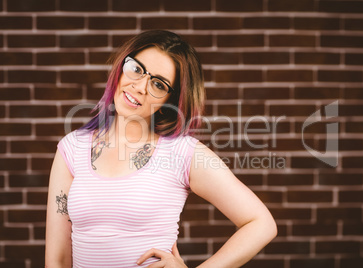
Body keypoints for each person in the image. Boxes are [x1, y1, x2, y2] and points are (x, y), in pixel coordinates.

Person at [45, 30, 277, 268]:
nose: (140, 87)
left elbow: (261, 223)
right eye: (136, 69)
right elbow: (57, 260)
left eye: (158, 83)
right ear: (121, 68)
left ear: (170, 100)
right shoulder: (72, 148)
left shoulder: (181, 153)